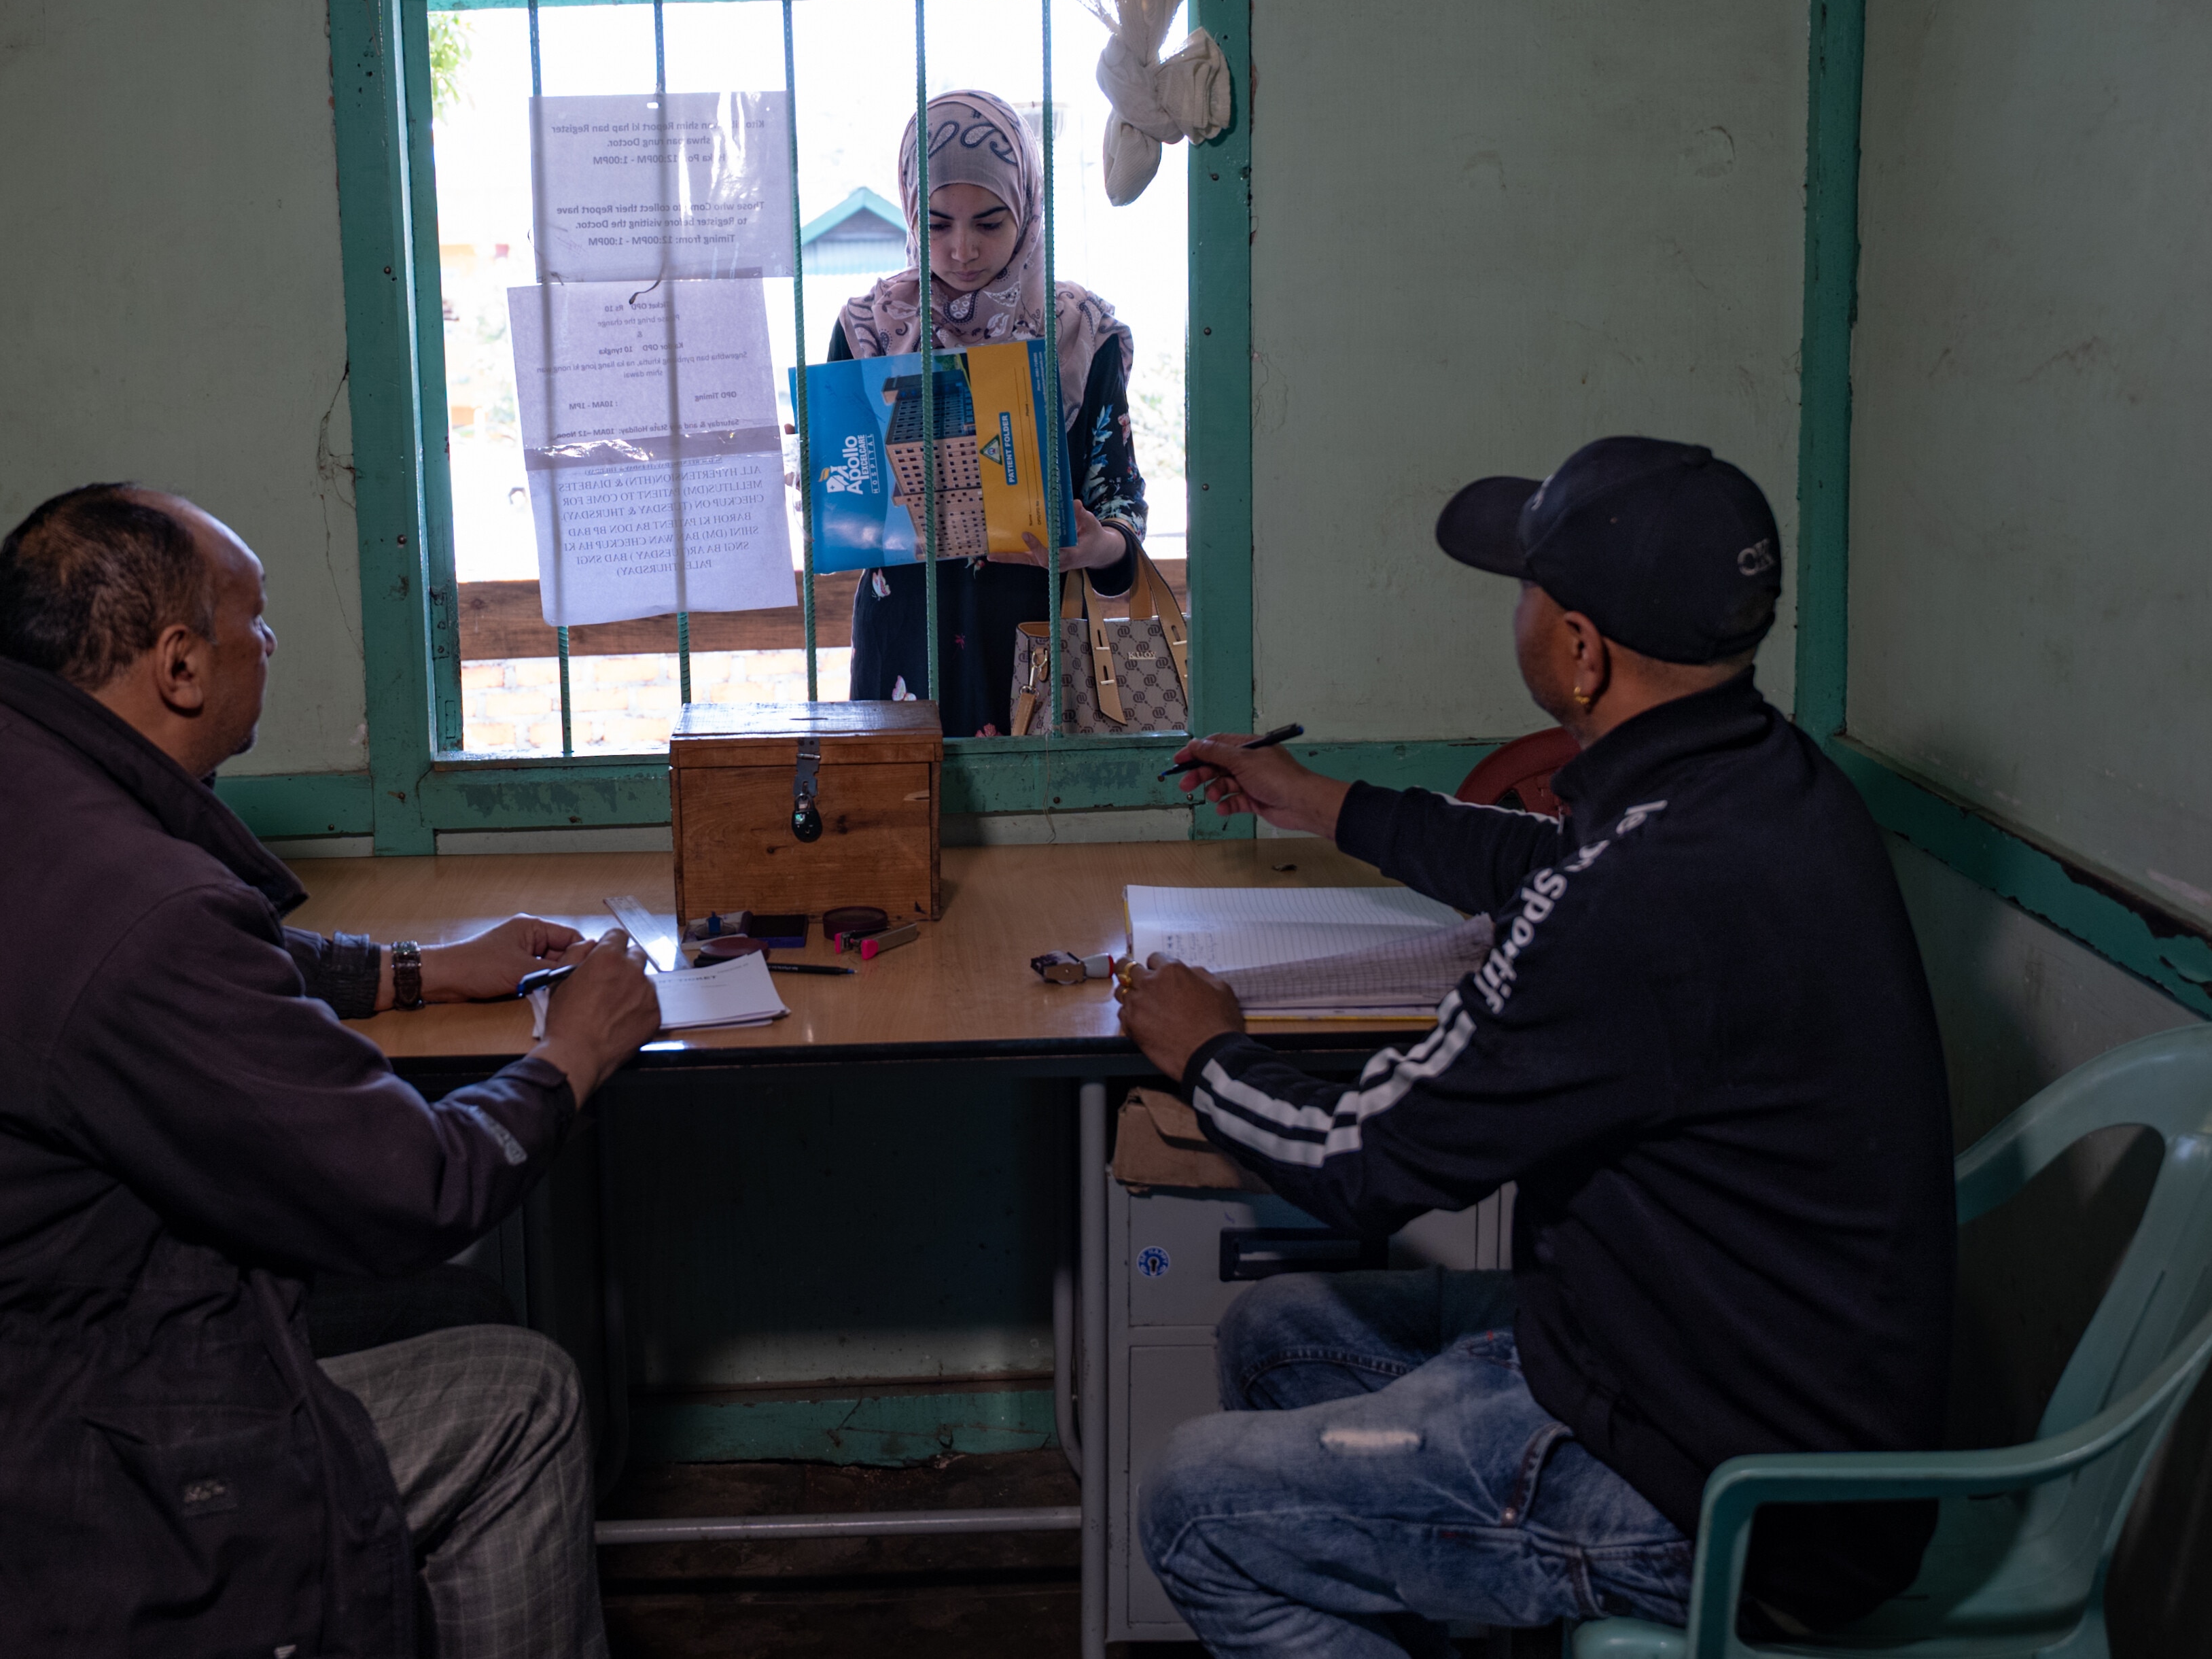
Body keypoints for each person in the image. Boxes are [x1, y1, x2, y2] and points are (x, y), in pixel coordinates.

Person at [0, 483, 662, 1659]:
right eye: (256, 619)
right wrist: (574, 1051)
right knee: (525, 1395)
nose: (271, 644)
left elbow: (133, 966)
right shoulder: (134, 910)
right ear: (181, 665)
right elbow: (414, 1186)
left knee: (461, 1315)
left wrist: (416, 970)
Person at [1121, 437, 1955, 1655]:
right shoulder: (1763, 785)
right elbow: (1548, 866)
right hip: (1706, 1369)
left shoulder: (1646, 894)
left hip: (1722, 1502)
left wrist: (1208, 1049)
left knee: (1191, 1503)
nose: (1513, 611)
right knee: (1279, 1327)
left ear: (1579, 649)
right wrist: (1316, 800)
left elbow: (1367, 1162)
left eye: (1526, 590)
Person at [832, 89, 1150, 732]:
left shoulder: (1082, 334)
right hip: (905, 652)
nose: (962, 249)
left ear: (1029, 209)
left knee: (1048, 824)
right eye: (939, 222)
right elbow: (847, 513)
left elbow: (1122, 511)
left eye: (989, 221)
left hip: (1040, 652)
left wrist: (1097, 545)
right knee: (901, 821)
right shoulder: (868, 330)